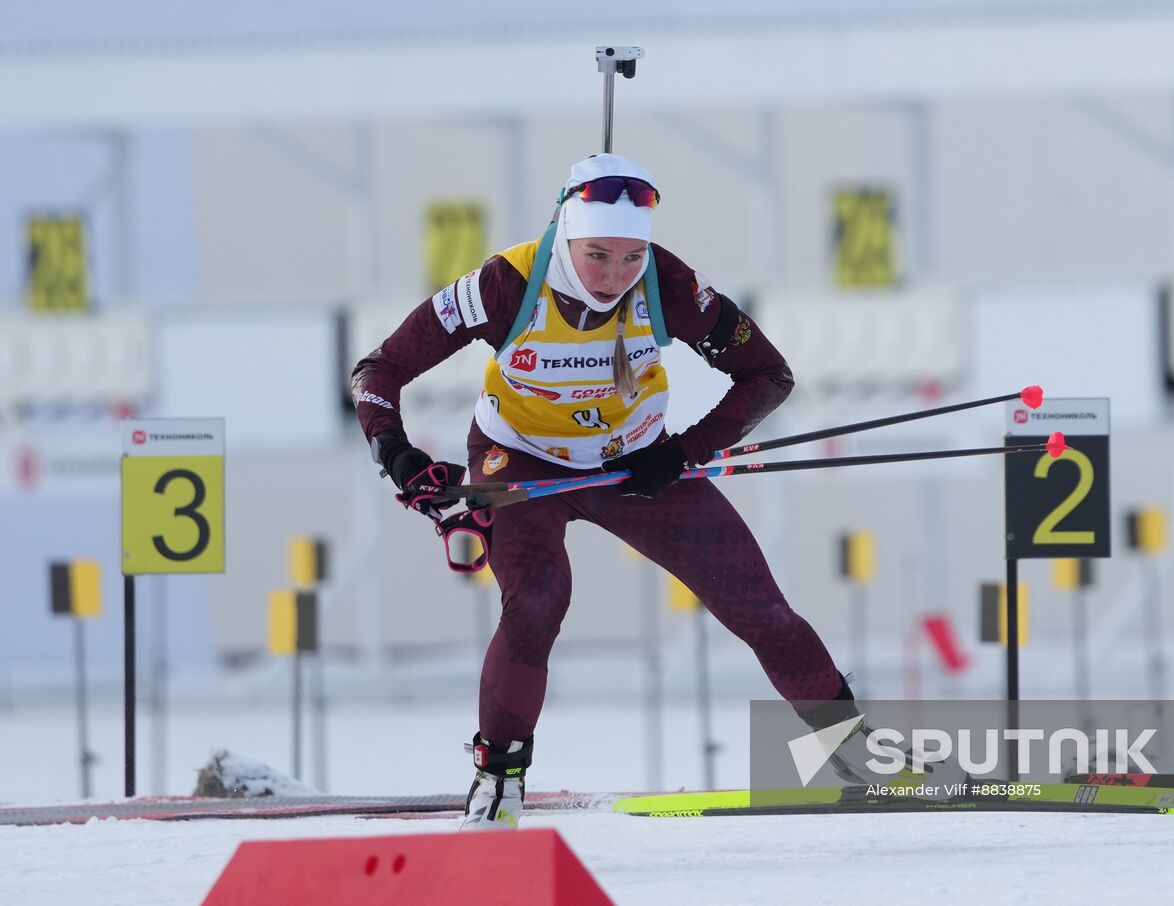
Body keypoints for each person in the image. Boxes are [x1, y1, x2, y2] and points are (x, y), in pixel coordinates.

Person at [350, 153, 861, 828]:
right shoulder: (506, 284)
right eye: (597, 256)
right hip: (521, 462)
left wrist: (683, 451)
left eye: (631, 257)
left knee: (760, 609)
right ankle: (499, 777)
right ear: (565, 234)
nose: (616, 276)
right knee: (537, 601)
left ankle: (858, 756)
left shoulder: (669, 283)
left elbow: (768, 375)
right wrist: (397, 455)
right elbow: (378, 370)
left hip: (635, 464)